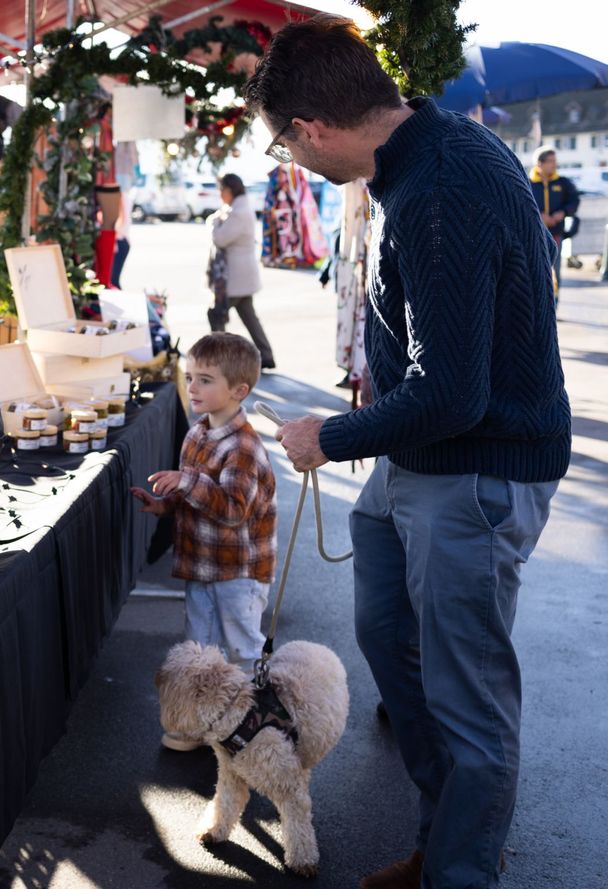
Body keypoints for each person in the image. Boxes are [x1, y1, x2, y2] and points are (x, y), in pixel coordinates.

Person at [243, 15, 570, 889]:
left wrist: (331, 436)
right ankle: (450, 837)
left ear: (310, 129)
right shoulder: (438, 149)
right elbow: (507, 282)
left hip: (476, 469)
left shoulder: (437, 188)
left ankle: (460, 869)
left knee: (470, 704)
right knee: (387, 631)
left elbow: (456, 392)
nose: (295, 164)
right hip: (423, 459)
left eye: (287, 148)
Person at [130, 333, 277, 752]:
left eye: (205, 379)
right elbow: (195, 500)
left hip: (238, 573)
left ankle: (245, 726)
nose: (192, 387)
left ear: (238, 390)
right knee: (200, 646)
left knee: (240, 648)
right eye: (190, 376)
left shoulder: (245, 447)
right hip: (200, 567)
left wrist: (188, 482)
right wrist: (167, 505)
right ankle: (198, 722)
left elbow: (231, 510)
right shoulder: (196, 434)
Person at [207, 173, 276, 370]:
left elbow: (220, 239)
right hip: (241, 277)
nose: (220, 194)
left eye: (222, 190)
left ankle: (219, 357)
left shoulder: (238, 212)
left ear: (230, 190)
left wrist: (213, 223)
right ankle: (266, 355)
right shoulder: (237, 209)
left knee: (216, 314)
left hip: (236, 278)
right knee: (248, 316)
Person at [528, 147, 579, 294]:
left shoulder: (563, 183)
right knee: (534, 270)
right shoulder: (527, 182)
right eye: (551, 161)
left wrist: (563, 213)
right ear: (539, 163)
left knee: (555, 271)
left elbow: (574, 201)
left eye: (555, 161)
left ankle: (554, 306)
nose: (554, 164)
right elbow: (520, 204)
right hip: (534, 235)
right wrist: (539, 216)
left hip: (556, 233)